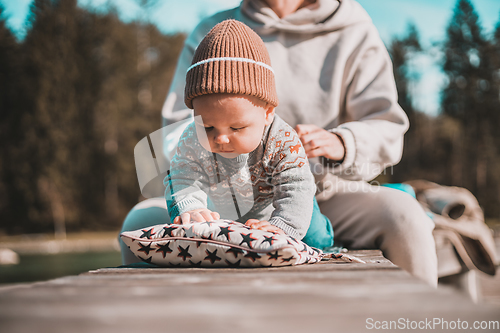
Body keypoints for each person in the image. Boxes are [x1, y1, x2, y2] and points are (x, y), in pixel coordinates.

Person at [121, 0, 438, 287]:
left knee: (404, 216)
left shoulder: (354, 28)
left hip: (325, 192)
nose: (220, 135)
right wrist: (199, 202)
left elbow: (386, 126)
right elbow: (177, 133)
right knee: (137, 221)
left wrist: (341, 142)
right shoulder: (211, 33)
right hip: (217, 200)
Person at [165, 19, 321, 241]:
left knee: (316, 236)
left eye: (236, 127)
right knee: (182, 207)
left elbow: (296, 185)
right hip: (224, 212)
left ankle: (328, 238)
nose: (220, 138)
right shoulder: (192, 138)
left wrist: (283, 225)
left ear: (267, 113)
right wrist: (191, 208)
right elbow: (182, 176)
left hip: (282, 209)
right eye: (207, 126)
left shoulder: (283, 140)